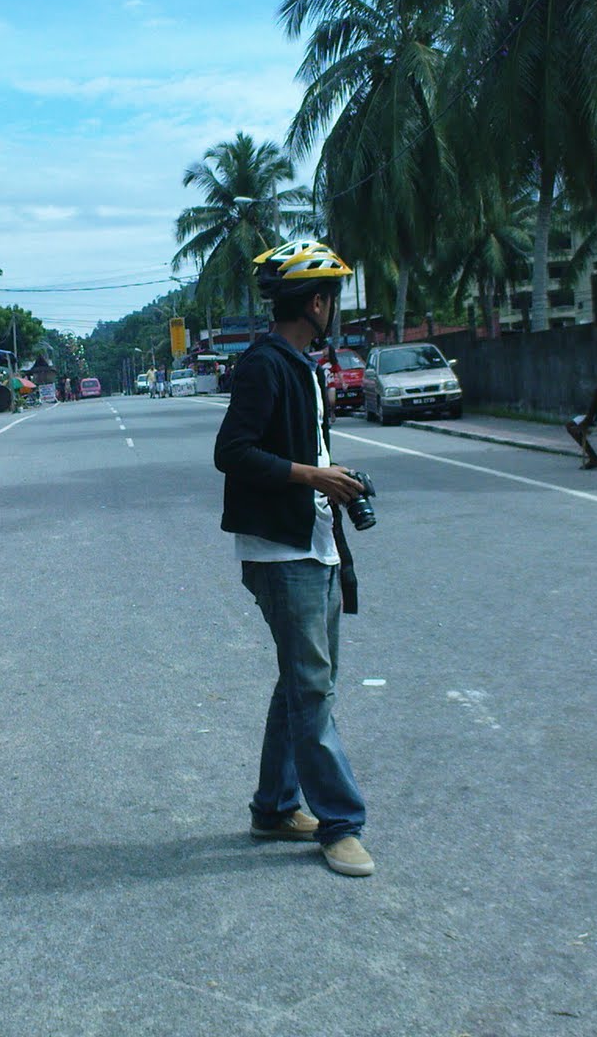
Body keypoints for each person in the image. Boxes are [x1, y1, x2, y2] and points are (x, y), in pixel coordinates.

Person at [214, 238, 374, 878]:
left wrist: (329, 479)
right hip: (281, 554)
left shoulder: (302, 365)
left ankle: (276, 807)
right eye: (332, 298)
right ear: (316, 302)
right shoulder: (265, 365)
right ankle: (340, 823)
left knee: (304, 682)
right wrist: (313, 475)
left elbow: (296, 450)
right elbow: (233, 452)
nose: (333, 308)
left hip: (314, 544)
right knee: (312, 687)